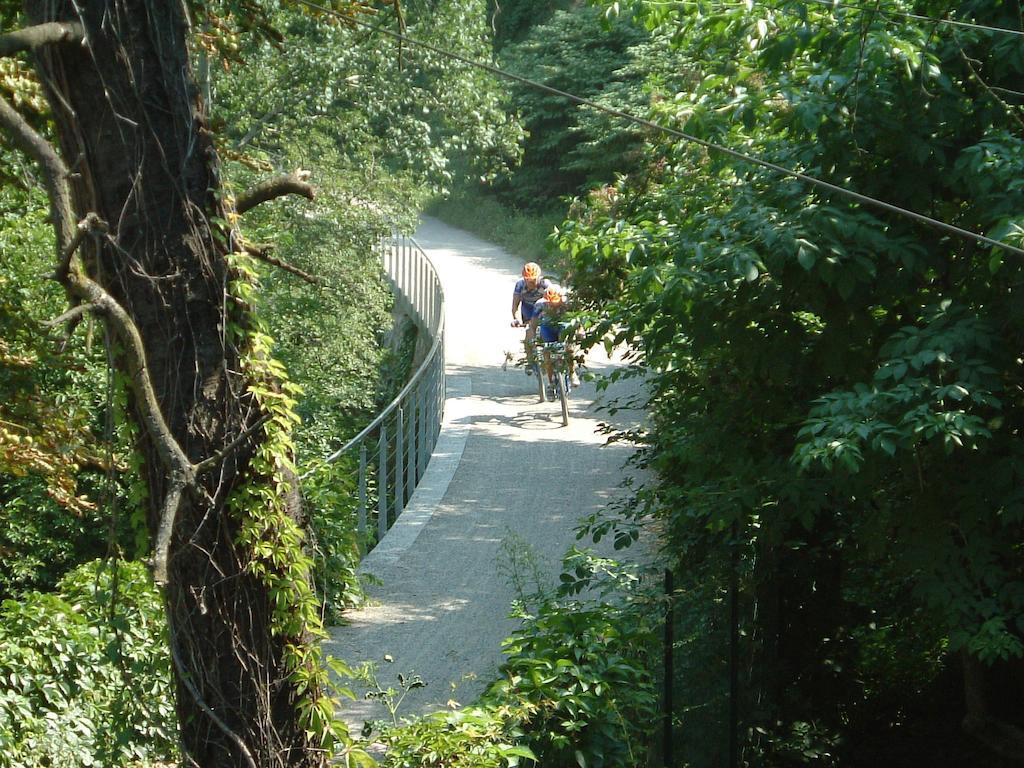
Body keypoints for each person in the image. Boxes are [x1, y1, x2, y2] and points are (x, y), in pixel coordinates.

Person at [529, 285, 580, 400]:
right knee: (547, 352)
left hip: (563, 326)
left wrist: (580, 331)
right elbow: (533, 323)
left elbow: (578, 318)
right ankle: (551, 382)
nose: (551, 305)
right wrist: (533, 339)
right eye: (549, 302)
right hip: (547, 327)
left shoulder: (567, 303)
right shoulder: (540, 304)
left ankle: (572, 372)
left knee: (569, 347)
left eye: (554, 302)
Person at [511, 262, 551, 375]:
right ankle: (530, 360)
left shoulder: (545, 283)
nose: (530, 282)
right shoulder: (520, 285)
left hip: (543, 309)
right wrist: (515, 318)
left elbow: (554, 298)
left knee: (546, 327)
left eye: (533, 280)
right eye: (528, 280)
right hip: (528, 309)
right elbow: (515, 305)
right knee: (529, 331)